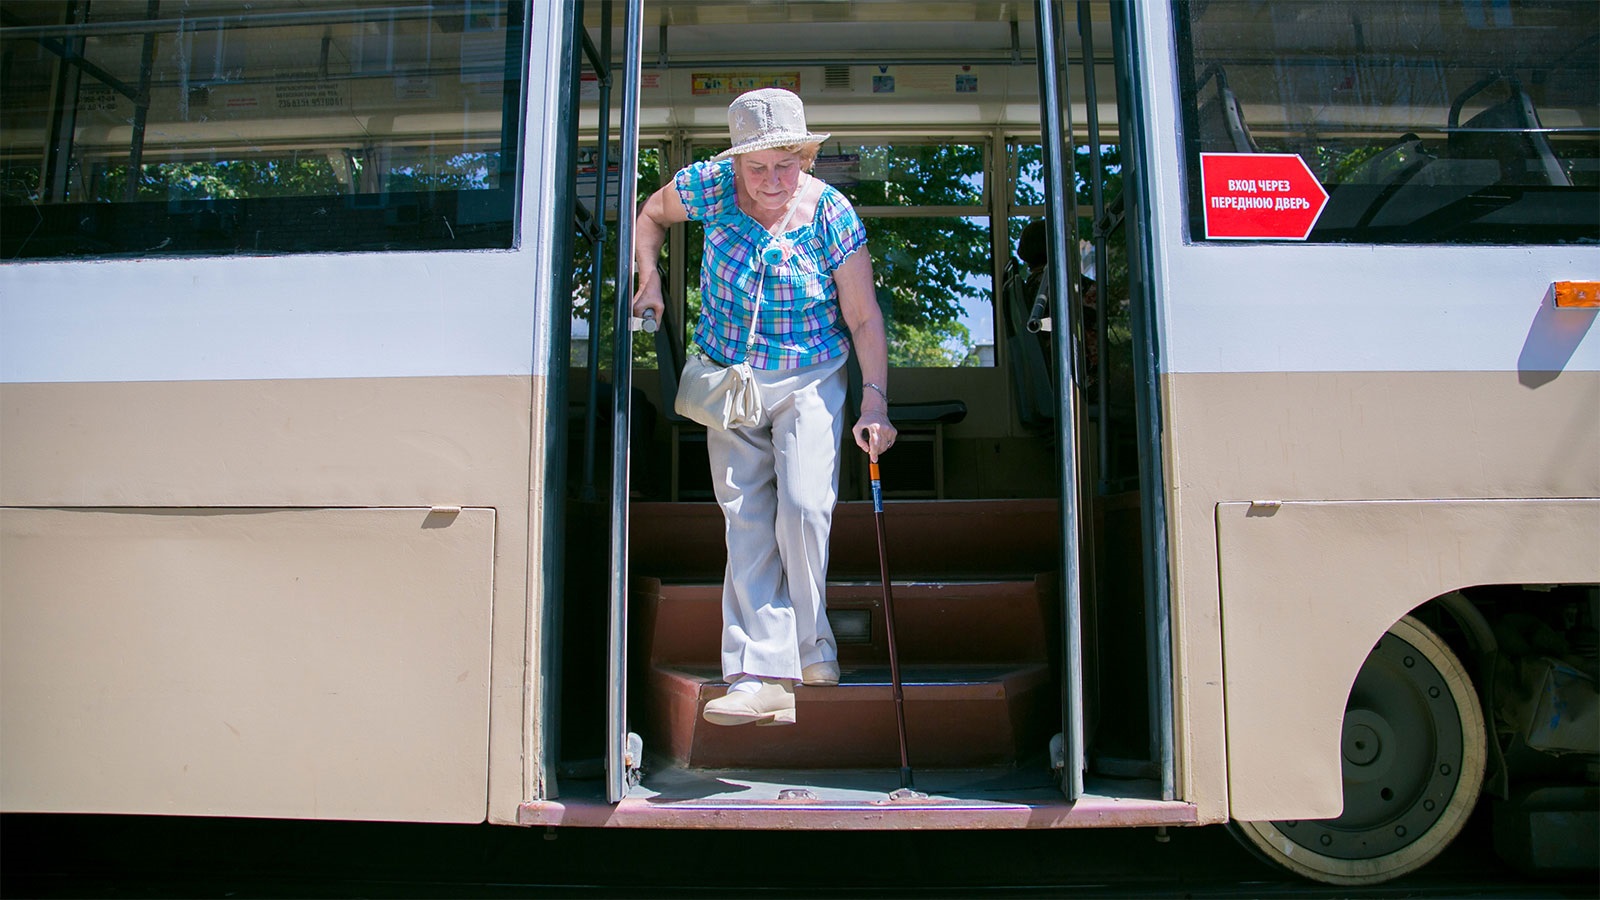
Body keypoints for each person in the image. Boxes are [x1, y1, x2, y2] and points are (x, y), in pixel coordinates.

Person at [632, 88, 896, 727]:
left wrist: (875, 402)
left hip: (811, 374)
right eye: (758, 168)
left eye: (787, 164)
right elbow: (649, 215)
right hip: (731, 376)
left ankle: (813, 642)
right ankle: (759, 674)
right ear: (736, 164)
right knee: (746, 517)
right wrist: (649, 274)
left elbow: (862, 318)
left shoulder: (830, 211)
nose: (773, 181)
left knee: (804, 506)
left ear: (804, 157)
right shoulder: (709, 188)